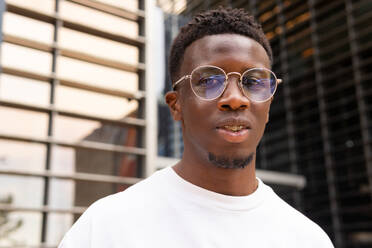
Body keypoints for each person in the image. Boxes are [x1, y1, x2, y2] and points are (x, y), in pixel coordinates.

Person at [59, 7, 334, 248]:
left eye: (253, 82)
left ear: (269, 104)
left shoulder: (307, 239)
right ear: (176, 105)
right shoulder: (106, 227)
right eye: (210, 81)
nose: (235, 99)